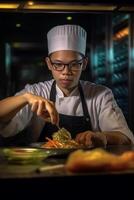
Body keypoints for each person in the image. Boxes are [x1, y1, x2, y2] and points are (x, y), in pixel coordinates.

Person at [0, 24, 134, 147]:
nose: (66, 72)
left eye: (74, 64)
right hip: (41, 167)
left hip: (85, 167)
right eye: (58, 64)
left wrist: (102, 137)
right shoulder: (36, 92)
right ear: (48, 63)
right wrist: (25, 98)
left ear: (85, 63)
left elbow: (126, 138)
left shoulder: (100, 95)